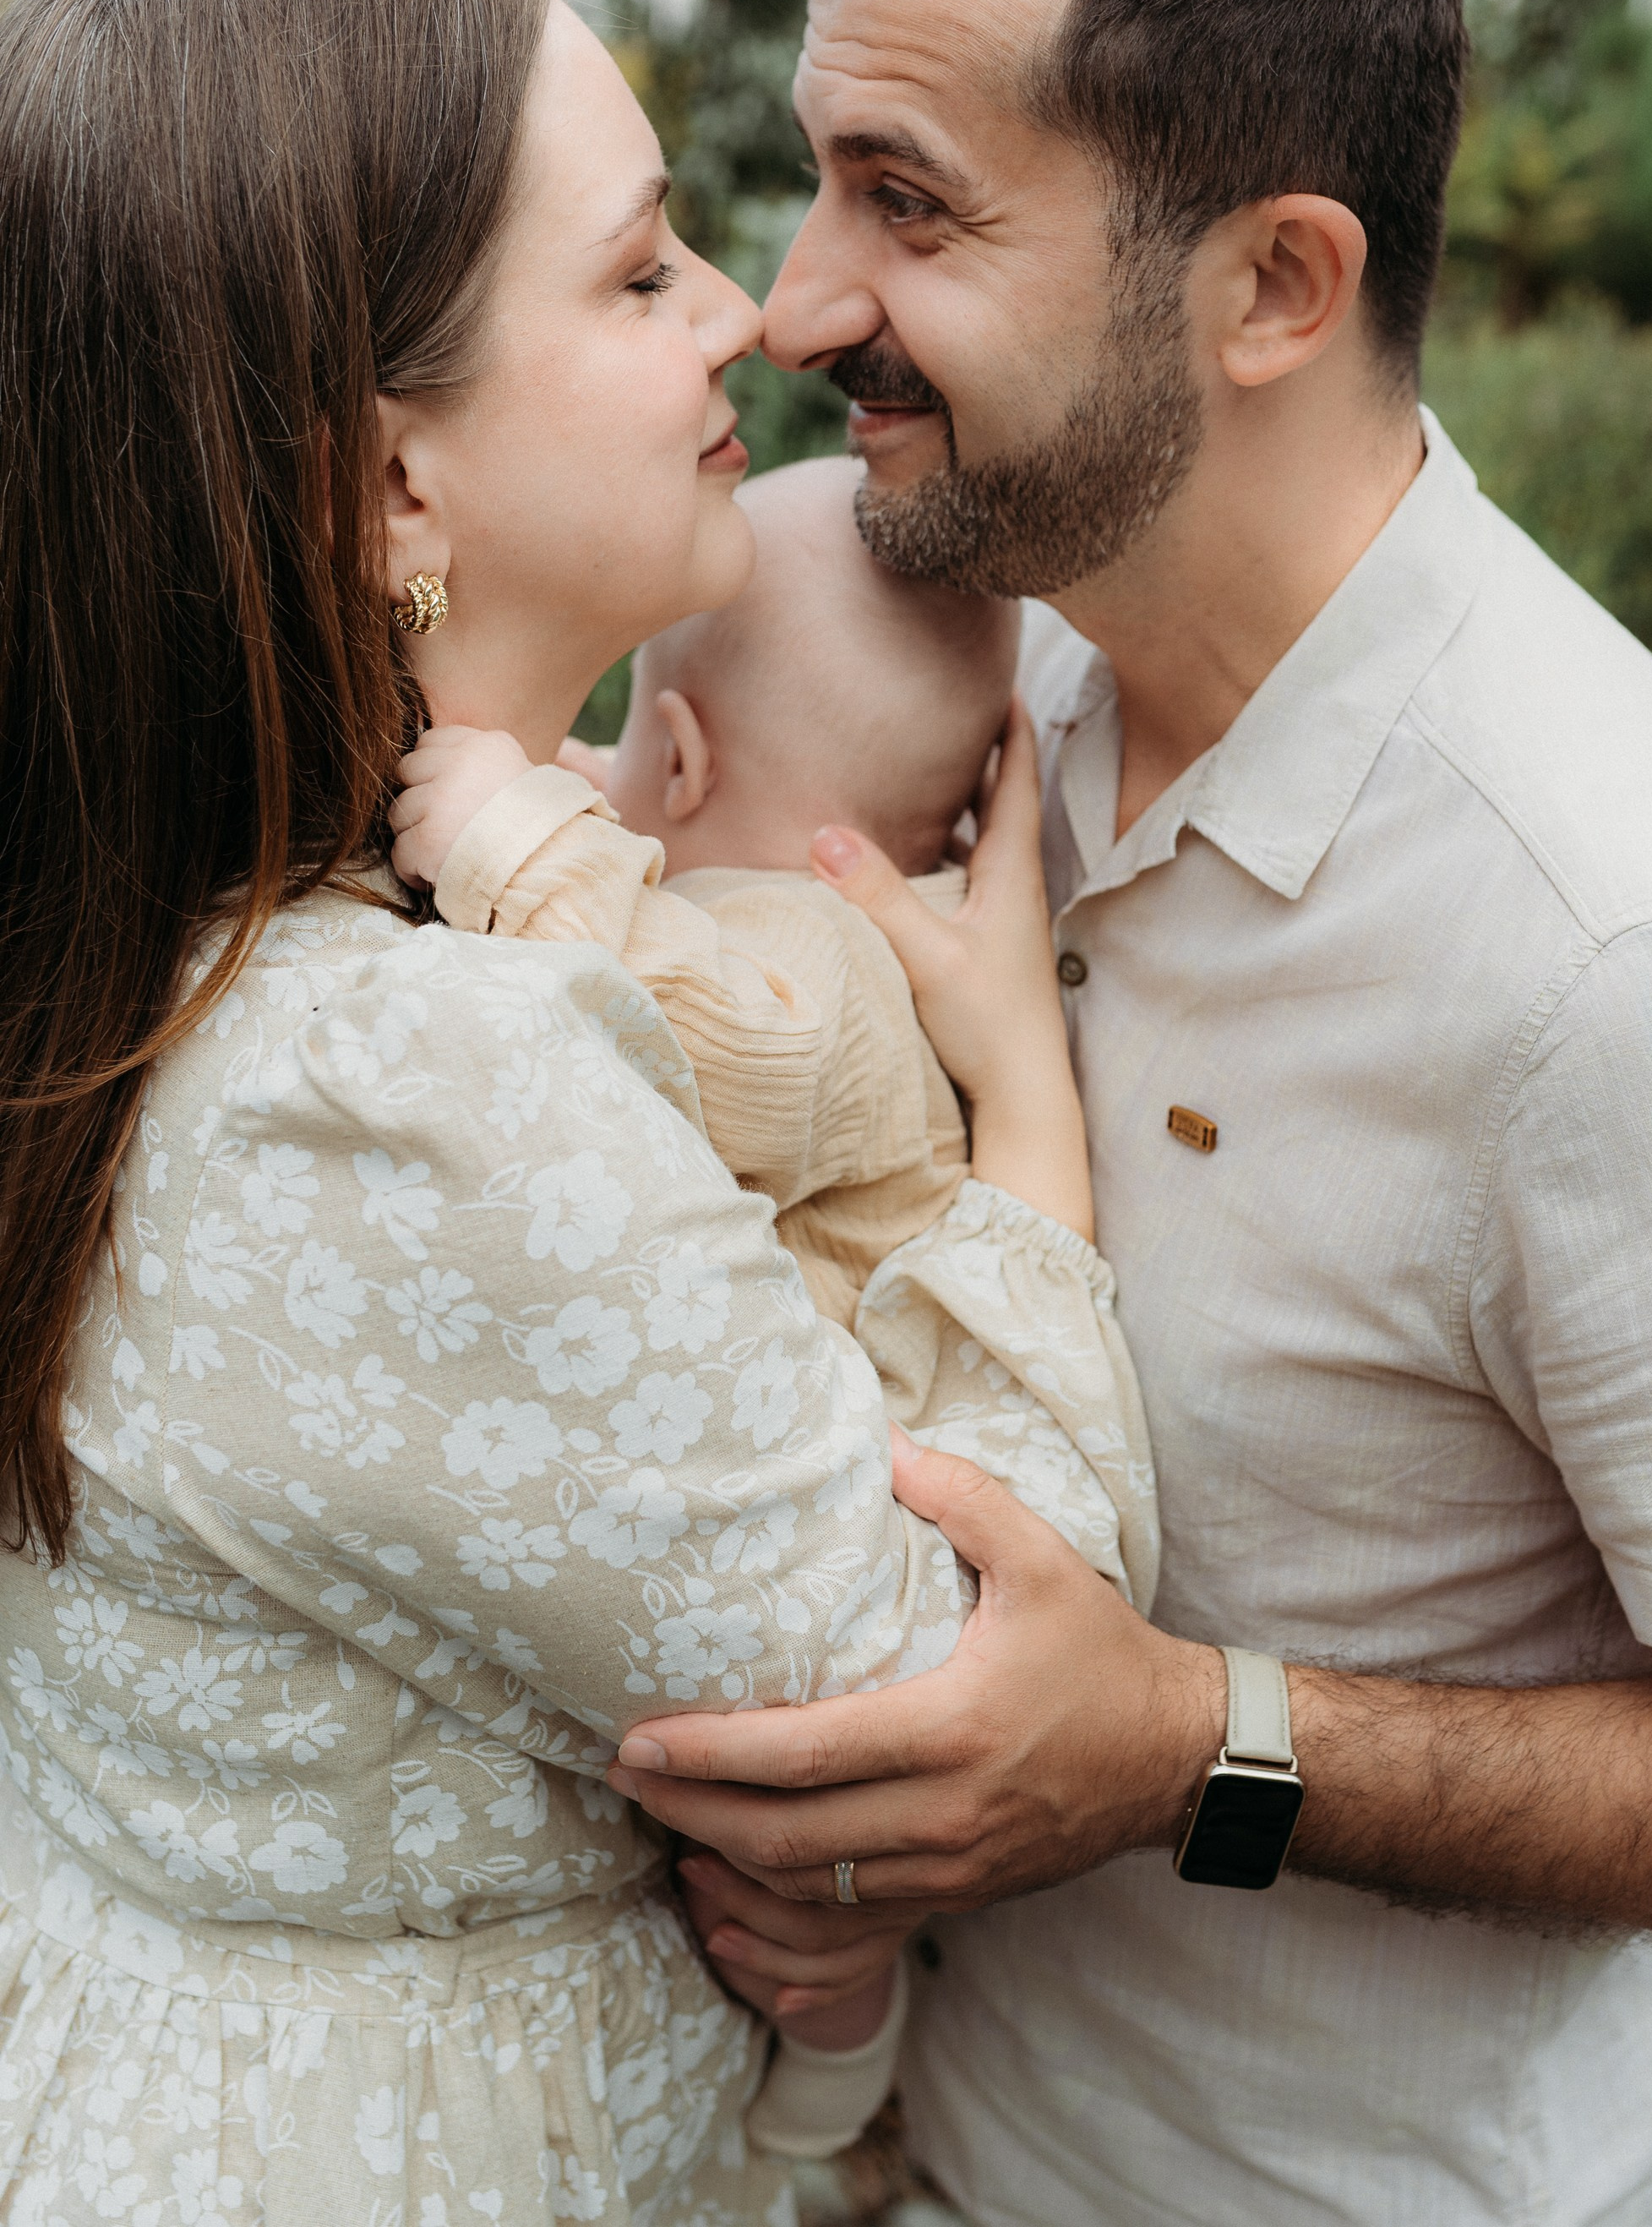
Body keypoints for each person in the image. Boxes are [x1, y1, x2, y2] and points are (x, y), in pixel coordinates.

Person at [597, 0, 1652, 2224]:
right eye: (810, 177)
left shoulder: (1608, 943)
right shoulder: (950, 647)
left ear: (1274, 285)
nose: (791, 300)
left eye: (909, 200)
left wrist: (1200, 1748)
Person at [0, 0, 1148, 2227]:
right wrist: (1023, 1116)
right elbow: (951, 1693)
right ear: (391, 488)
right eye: (638, 275)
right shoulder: (415, 1088)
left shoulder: (200, 933)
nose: (749, 310)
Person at [384, 459, 1159, 2157]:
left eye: (619, 746)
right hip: (807, 1517)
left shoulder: (818, 975)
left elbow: (682, 1025)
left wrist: (515, 832)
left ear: (675, 762)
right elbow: (644, 851)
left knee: (802, 1916)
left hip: (901, 1547)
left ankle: (837, 2078)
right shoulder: (812, 905)